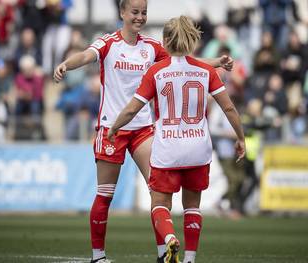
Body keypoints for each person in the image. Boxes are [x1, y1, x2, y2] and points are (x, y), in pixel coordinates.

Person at [53, 1, 233, 262]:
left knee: (158, 192)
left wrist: (216, 62)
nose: (140, 17)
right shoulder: (108, 43)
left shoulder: (151, 47)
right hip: (111, 128)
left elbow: (184, 60)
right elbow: (85, 56)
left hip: (142, 130)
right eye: (135, 12)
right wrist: (66, 65)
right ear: (123, 13)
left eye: (144, 13)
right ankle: (98, 256)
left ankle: (164, 253)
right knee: (105, 194)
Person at [107, 16, 245, 263]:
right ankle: (190, 259)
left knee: (160, 204)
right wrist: (241, 138)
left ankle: (170, 238)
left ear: (166, 41)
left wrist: (114, 127)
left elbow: (132, 109)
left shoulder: (156, 71)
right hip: (198, 148)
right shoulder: (206, 70)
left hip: (167, 149)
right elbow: (230, 109)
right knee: (192, 208)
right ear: (192, 39)